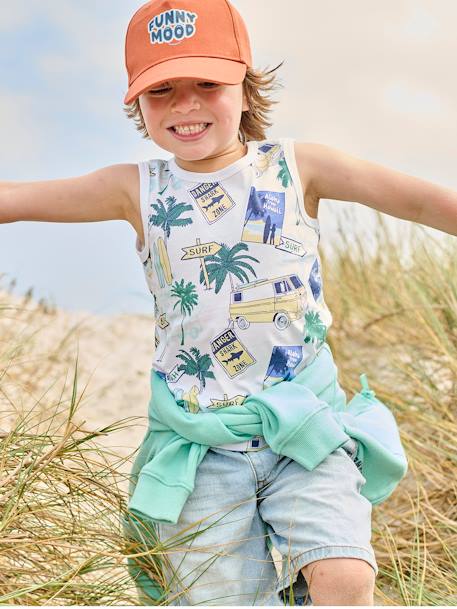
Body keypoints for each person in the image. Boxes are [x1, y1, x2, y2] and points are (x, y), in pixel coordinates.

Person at [2, 0, 456, 606]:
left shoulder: (298, 167)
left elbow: (417, 201)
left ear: (245, 85)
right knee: (219, 597)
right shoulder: (134, 188)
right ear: (137, 103)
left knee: (344, 575)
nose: (185, 104)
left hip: (304, 423)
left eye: (207, 83)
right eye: (161, 90)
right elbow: (16, 197)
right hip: (202, 440)